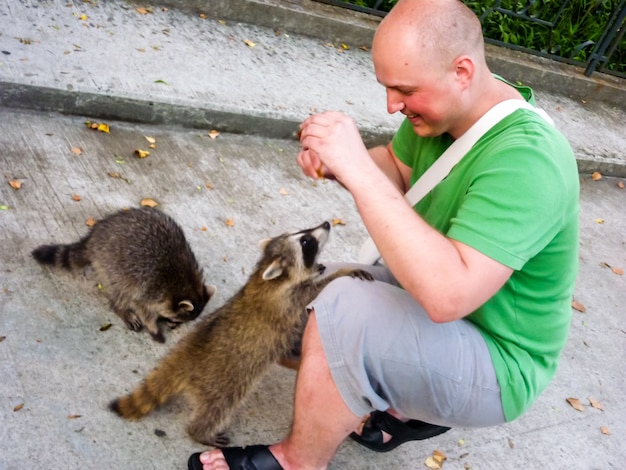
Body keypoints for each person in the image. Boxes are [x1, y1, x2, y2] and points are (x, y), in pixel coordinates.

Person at [188, 0, 579, 468]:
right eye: (388, 88)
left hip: (496, 361)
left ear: (462, 71)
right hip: (438, 313)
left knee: (344, 310)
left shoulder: (529, 162)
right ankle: (388, 396)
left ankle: (298, 460)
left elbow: (447, 295)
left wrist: (356, 167)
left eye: (404, 90)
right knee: (286, 294)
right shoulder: (444, 112)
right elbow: (397, 169)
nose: (392, 105)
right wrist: (337, 165)